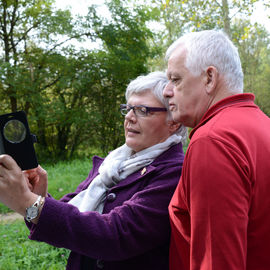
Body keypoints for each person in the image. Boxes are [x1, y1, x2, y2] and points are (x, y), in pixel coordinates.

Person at [0, 71, 187, 270]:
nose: (130, 118)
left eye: (142, 110)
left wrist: (27, 202)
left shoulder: (175, 173)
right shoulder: (113, 163)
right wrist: (38, 197)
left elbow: (115, 236)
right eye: (128, 108)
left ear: (173, 122)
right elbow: (66, 221)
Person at [163, 29, 270, 270]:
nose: (166, 90)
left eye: (176, 79)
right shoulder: (263, 125)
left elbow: (218, 261)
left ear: (209, 78)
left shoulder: (213, 140)